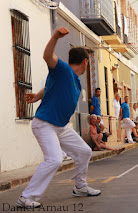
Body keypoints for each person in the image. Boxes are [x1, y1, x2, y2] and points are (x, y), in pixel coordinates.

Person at [19, 27, 100, 208]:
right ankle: (27, 197)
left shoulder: (72, 79)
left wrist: (38, 95)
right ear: (85, 62)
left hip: (61, 127)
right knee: (54, 159)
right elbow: (48, 56)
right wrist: (55, 37)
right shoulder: (63, 69)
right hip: (45, 124)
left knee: (84, 151)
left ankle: (80, 186)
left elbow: (50, 87)